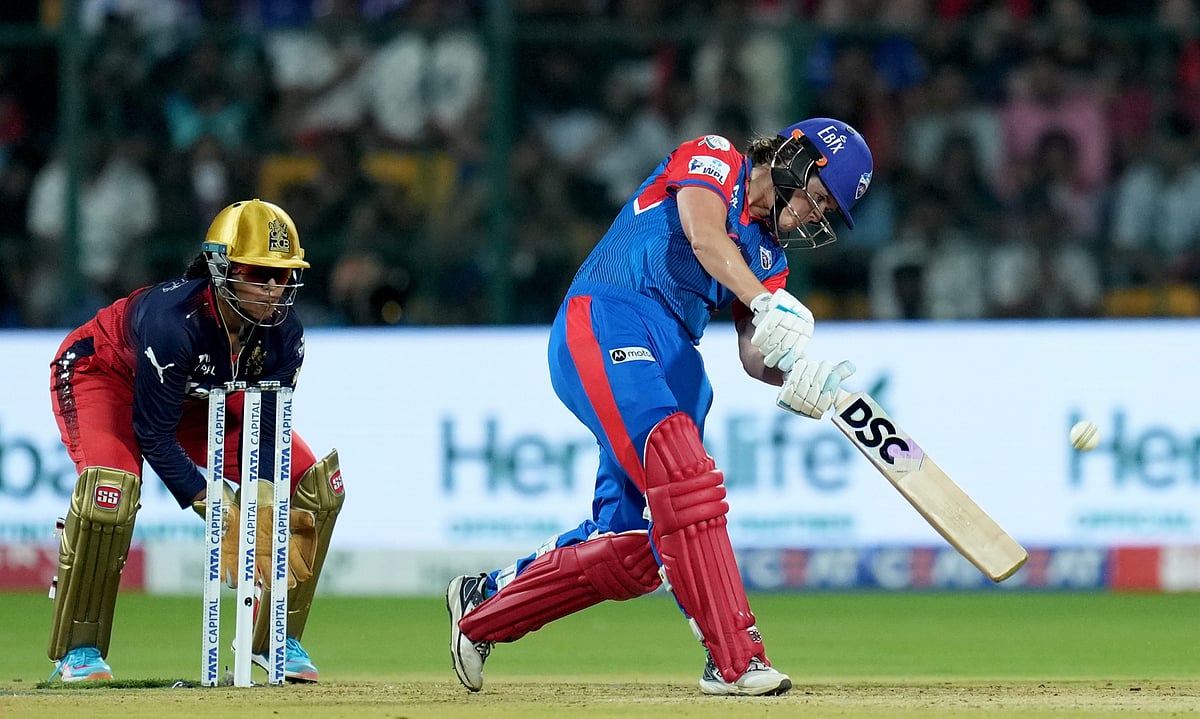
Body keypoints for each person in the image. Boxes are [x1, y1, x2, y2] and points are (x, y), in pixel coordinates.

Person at [446, 119, 873, 696]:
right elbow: (704, 235)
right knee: (683, 471)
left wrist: (800, 375)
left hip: (672, 357)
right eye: (817, 198)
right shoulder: (717, 158)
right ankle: (735, 659)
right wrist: (763, 302)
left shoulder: (770, 260)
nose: (812, 218)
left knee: (632, 550)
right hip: (607, 316)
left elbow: (754, 355)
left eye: (824, 215)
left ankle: (483, 605)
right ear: (796, 158)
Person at [46, 199, 346, 682]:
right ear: (221, 268)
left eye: (284, 276)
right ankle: (79, 652)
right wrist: (219, 507)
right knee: (111, 493)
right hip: (103, 376)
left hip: (197, 399)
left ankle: (272, 639)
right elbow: (153, 433)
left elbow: (267, 431)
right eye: (259, 273)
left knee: (317, 484)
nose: (274, 290)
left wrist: (265, 502)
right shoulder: (173, 321)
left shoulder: (285, 334)